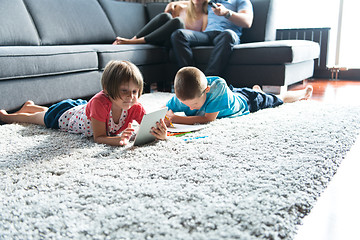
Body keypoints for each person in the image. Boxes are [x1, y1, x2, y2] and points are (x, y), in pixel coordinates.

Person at [0, 60, 167, 146]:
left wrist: (160, 133)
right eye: (124, 91)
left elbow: (148, 126)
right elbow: (99, 137)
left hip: (84, 109)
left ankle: (30, 106)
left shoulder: (134, 106)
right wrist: (117, 140)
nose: (130, 96)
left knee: (46, 111)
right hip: (66, 115)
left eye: (135, 91)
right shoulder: (100, 103)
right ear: (107, 90)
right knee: (38, 118)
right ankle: (8, 116)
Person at [164, 66, 313, 125]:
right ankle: (257, 90)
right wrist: (163, 115)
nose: (189, 107)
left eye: (194, 105)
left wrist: (176, 118)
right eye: (185, 103)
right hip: (233, 95)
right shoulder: (186, 94)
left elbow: (208, 119)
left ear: (207, 90)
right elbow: (165, 107)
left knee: (279, 99)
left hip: (248, 101)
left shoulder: (217, 87)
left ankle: (302, 93)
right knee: (242, 93)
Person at [170, 0, 253, 76]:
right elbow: (193, 2)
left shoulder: (241, 1)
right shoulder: (211, 1)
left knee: (228, 34)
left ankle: (208, 80)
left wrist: (226, 13)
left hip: (226, 35)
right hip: (207, 34)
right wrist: (173, 3)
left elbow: (247, 21)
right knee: (178, 34)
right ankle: (192, 77)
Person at [112, 0, 208, 47]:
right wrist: (173, 6)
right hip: (162, 36)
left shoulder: (205, 14)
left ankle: (134, 42)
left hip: (178, 41)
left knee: (178, 21)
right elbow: (168, 9)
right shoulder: (182, 7)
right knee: (166, 16)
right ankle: (133, 39)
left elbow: (202, 34)